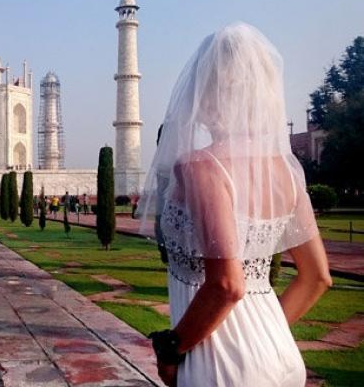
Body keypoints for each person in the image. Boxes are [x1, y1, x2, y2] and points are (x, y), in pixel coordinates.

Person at [138, 23, 331, 387]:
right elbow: (317, 277)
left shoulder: (200, 166)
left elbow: (226, 285)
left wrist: (171, 350)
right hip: (280, 355)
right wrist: (262, 338)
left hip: (220, 365)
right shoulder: (286, 171)